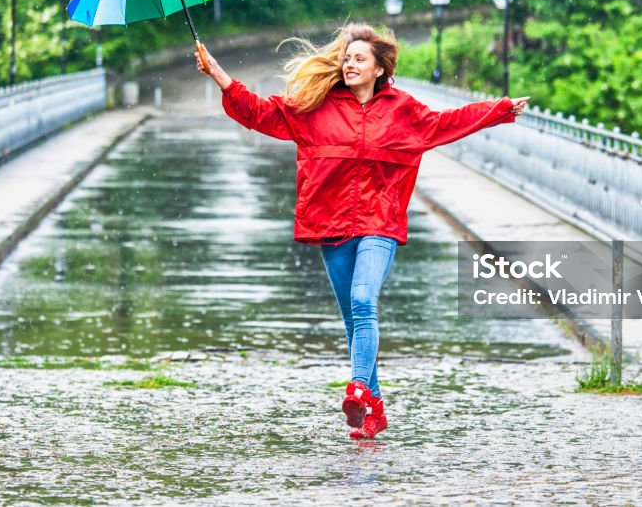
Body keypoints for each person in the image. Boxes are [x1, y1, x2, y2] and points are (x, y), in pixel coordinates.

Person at [195, 23, 528, 440]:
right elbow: (261, 113)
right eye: (346, 58)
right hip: (331, 224)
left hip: (380, 222)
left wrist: (499, 109)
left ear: (379, 69)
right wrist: (218, 74)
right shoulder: (315, 107)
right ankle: (374, 408)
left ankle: (357, 387)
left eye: (359, 59)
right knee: (355, 321)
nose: (349, 64)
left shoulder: (403, 111)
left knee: (363, 299)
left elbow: (447, 122)